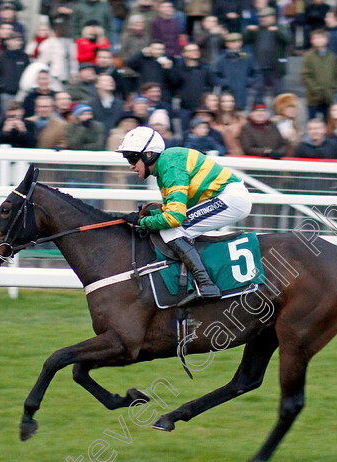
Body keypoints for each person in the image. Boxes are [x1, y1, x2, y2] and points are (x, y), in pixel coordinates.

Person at [116, 126, 252, 304]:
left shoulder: (170, 164)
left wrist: (143, 222)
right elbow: (171, 209)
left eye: (133, 158)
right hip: (225, 197)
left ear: (148, 154)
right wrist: (149, 216)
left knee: (172, 231)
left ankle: (206, 285)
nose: (131, 165)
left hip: (231, 199)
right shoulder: (165, 165)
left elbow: (174, 218)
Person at [244, 7, 289, 99]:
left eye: (265, 17)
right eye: (261, 17)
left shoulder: (280, 28)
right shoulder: (258, 30)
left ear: (273, 17)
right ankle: (259, 111)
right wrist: (248, 32)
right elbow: (244, 41)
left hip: (276, 68)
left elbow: (288, 40)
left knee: (278, 95)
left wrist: (277, 31)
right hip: (260, 68)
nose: (262, 19)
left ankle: (278, 113)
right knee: (258, 96)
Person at [212, 32, 260, 110]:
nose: (235, 44)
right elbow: (214, 76)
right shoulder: (220, 60)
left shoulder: (248, 58)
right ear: (227, 44)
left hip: (244, 94)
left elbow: (256, 74)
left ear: (241, 43)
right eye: (232, 42)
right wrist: (225, 82)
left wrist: (247, 82)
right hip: (226, 96)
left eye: (237, 41)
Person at [300, 29, 337, 121]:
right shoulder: (308, 56)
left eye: (321, 38)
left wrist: (332, 89)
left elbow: (336, 74)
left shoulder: (331, 56)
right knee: (313, 121)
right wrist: (316, 90)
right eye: (316, 38)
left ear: (326, 39)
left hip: (328, 96)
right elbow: (305, 76)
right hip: (313, 98)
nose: (318, 40)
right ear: (311, 41)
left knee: (328, 122)